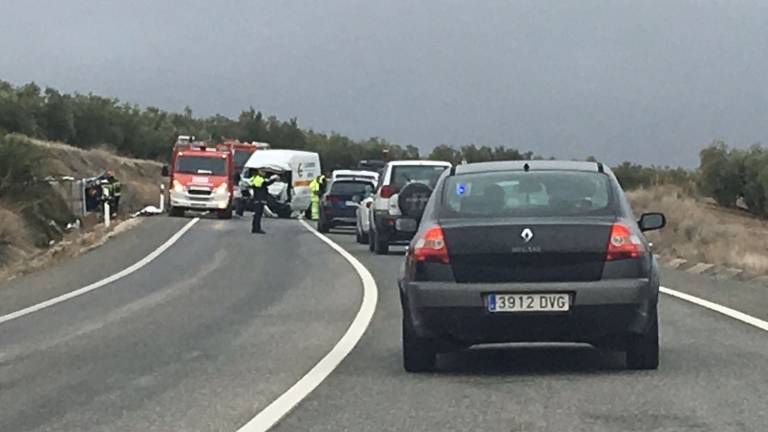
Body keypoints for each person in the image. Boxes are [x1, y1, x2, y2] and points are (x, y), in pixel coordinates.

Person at [249, 169, 278, 234]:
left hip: (258, 199)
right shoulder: (257, 178)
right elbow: (265, 184)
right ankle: (256, 228)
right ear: (259, 171)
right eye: (263, 171)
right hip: (259, 199)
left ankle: (255, 228)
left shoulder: (257, 178)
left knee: (258, 214)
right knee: (258, 215)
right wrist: (274, 179)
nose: (264, 173)